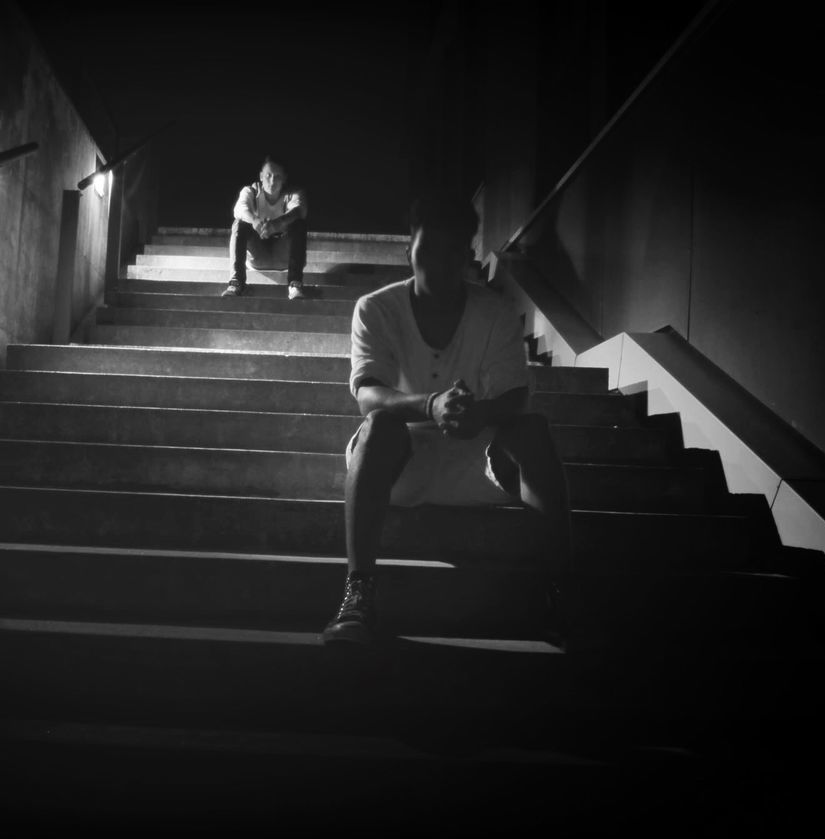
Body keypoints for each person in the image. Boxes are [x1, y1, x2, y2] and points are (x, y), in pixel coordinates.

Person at [321, 191, 574, 647]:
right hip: (399, 463)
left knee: (531, 429)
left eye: (451, 250)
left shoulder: (494, 312)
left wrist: (479, 414)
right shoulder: (375, 308)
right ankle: (357, 594)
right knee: (377, 425)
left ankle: (557, 592)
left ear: (467, 256)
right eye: (427, 248)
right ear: (409, 250)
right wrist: (431, 405)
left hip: (477, 462)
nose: (438, 262)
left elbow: (515, 396)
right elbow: (368, 394)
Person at [222, 156, 310, 300]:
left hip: (284, 255)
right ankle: (236, 282)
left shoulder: (293, 193)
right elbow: (240, 208)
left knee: (299, 224)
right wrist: (255, 221)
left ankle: (295, 283)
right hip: (258, 255)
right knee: (239, 223)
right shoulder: (251, 191)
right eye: (268, 175)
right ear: (261, 176)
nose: (272, 181)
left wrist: (277, 225)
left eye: (277, 177)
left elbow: (299, 210)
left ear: (284, 179)